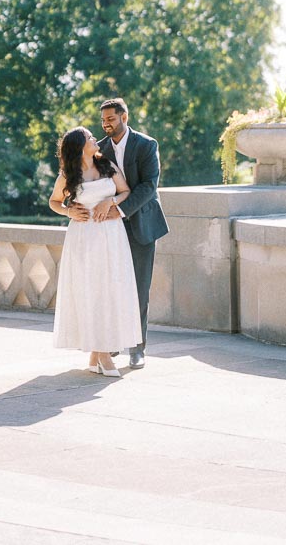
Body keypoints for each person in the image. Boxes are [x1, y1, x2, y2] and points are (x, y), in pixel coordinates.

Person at [49, 126, 142, 377]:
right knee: (91, 291)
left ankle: (96, 355)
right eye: (90, 138)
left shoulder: (106, 166)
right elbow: (54, 201)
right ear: (80, 147)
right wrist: (69, 211)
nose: (95, 139)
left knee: (110, 289)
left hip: (112, 236)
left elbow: (125, 191)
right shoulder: (68, 175)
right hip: (85, 238)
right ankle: (102, 354)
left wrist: (109, 201)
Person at [95, 97, 168, 369]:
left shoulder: (147, 145)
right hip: (109, 229)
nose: (106, 125)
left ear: (124, 118)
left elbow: (149, 186)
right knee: (112, 286)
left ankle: (137, 348)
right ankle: (113, 343)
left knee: (139, 289)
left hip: (142, 225)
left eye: (111, 119)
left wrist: (120, 209)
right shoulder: (98, 149)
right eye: (103, 120)